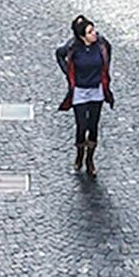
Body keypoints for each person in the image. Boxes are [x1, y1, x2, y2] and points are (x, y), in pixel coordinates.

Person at [55, 15, 114, 177]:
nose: (94, 33)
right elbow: (59, 54)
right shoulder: (73, 47)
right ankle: (80, 154)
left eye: (93, 30)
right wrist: (68, 73)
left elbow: (109, 51)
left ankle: (90, 159)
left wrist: (105, 73)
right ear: (82, 36)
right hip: (80, 91)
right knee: (81, 125)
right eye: (90, 32)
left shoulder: (101, 43)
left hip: (96, 91)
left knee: (93, 126)